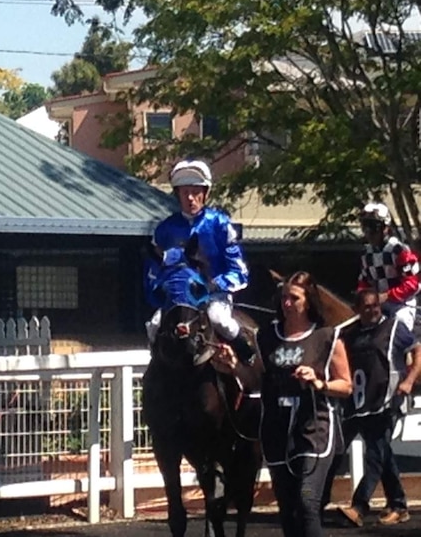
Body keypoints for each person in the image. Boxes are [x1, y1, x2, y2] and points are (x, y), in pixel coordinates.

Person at [212, 271, 353, 537]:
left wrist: (320, 383)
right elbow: (254, 382)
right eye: (284, 298)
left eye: (294, 298)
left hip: (314, 430)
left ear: (308, 301)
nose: (287, 303)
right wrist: (233, 366)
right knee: (287, 507)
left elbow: (346, 385)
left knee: (307, 500)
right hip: (276, 429)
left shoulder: (326, 337)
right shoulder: (266, 337)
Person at [323, 289, 420, 527]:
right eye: (367, 306)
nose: (373, 310)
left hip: (387, 401)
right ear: (356, 309)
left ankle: (359, 506)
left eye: (375, 305)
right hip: (357, 404)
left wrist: (408, 381)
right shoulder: (350, 334)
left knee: (375, 454)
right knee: (350, 450)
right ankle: (398, 504)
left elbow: (418, 352)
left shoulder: (394, 328)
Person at [145, 159, 256, 365]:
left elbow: (239, 271)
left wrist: (215, 284)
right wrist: (160, 291)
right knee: (154, 325)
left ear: (205, 193)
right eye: (185, 192)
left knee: (219, 320)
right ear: (177, 194)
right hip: (177, 300)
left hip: (214, 296)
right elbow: (153, 273)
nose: (190, 198)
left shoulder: (220, 224)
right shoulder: (164, 229)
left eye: (195, 192)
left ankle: (248, 360)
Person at [357, 202, 419, 333]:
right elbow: (364, 282)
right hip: (377, 307)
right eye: (365, 227)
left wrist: (386, 296)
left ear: (385, 228)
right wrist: (361, 296)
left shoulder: (399, 250)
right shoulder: (366, 253)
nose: (369, 233)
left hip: (402, 306)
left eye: (373, 227)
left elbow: (411, 285)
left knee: (398, 326)